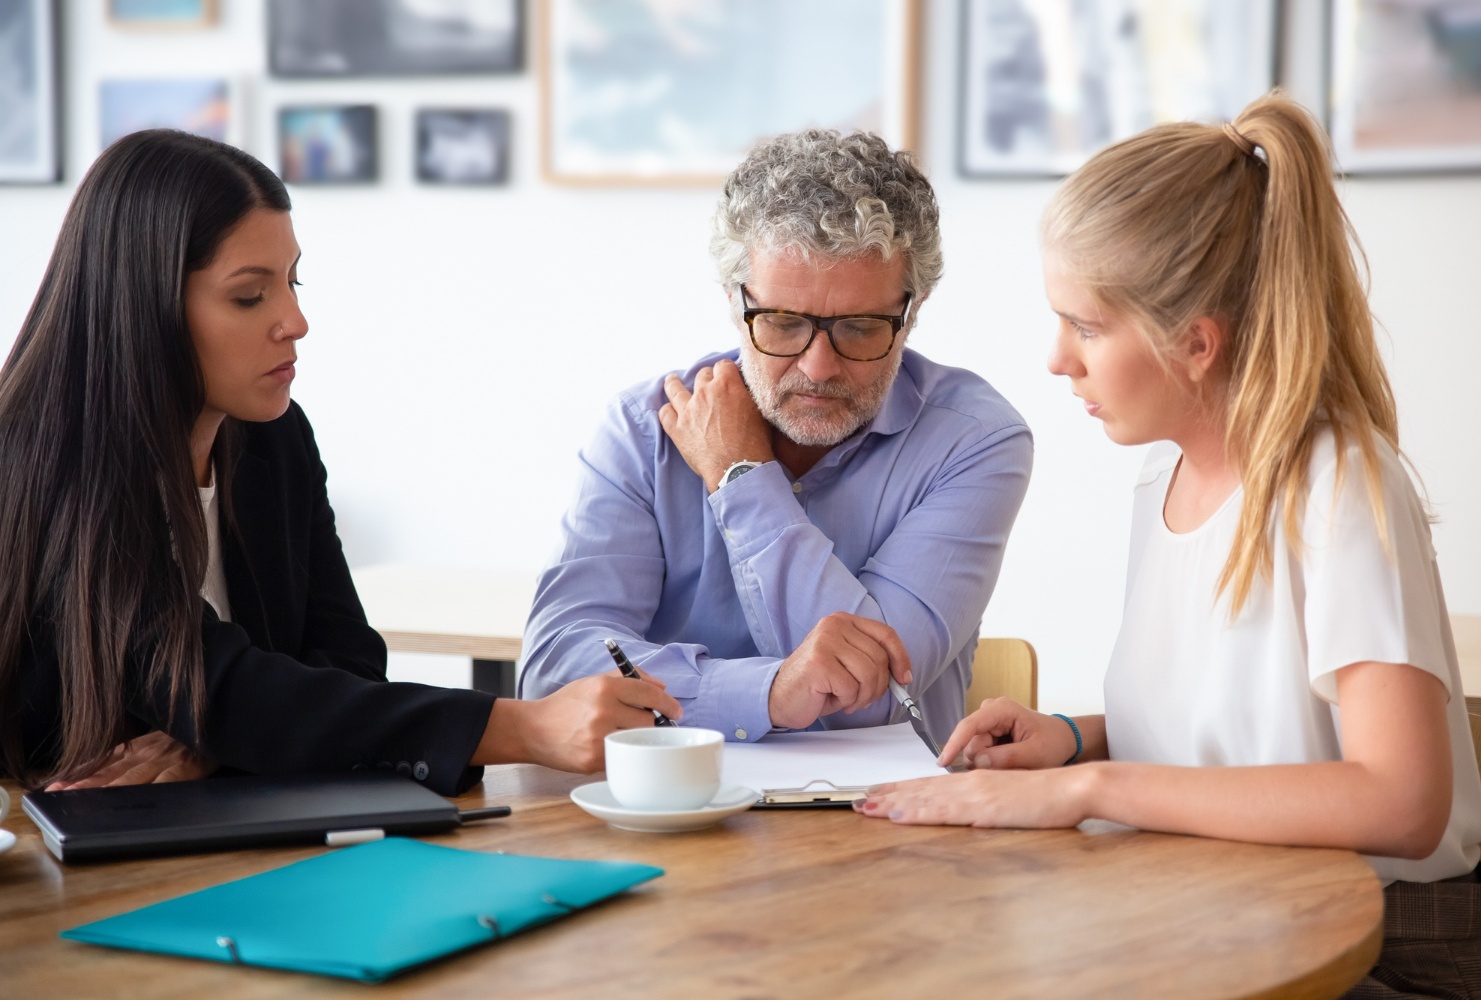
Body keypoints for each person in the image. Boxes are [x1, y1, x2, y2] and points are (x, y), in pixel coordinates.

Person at [855, 93, 1481, 996]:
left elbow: (1402, 803)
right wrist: (1078, 743)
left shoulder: (1339, 486)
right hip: (1218, 910)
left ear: (1195, 343)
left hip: (1378, 948)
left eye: (1084, 325)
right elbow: (1258, 727)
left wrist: (1091, 791)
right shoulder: (1162, 488)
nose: (1057, 359)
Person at [0, 130, 680, 797]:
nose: (295, 319)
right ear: (145, 306)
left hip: (223, 827)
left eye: (292, 282)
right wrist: (524, 727)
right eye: (250, 294)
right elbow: (218, 683)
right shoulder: (47, 469)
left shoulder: (273, 439)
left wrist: (219, 742)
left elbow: (348, 660)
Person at [520, 130, 1033, 747]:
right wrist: (768, 692)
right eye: (784, 323)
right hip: (669, 810)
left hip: (888, 822)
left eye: (861, 328)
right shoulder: (640, 431)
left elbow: (871, 698)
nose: (818, 367)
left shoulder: (974, 442)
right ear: (736, 303)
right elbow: (553, 678)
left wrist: (740, 474)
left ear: (913, 309)